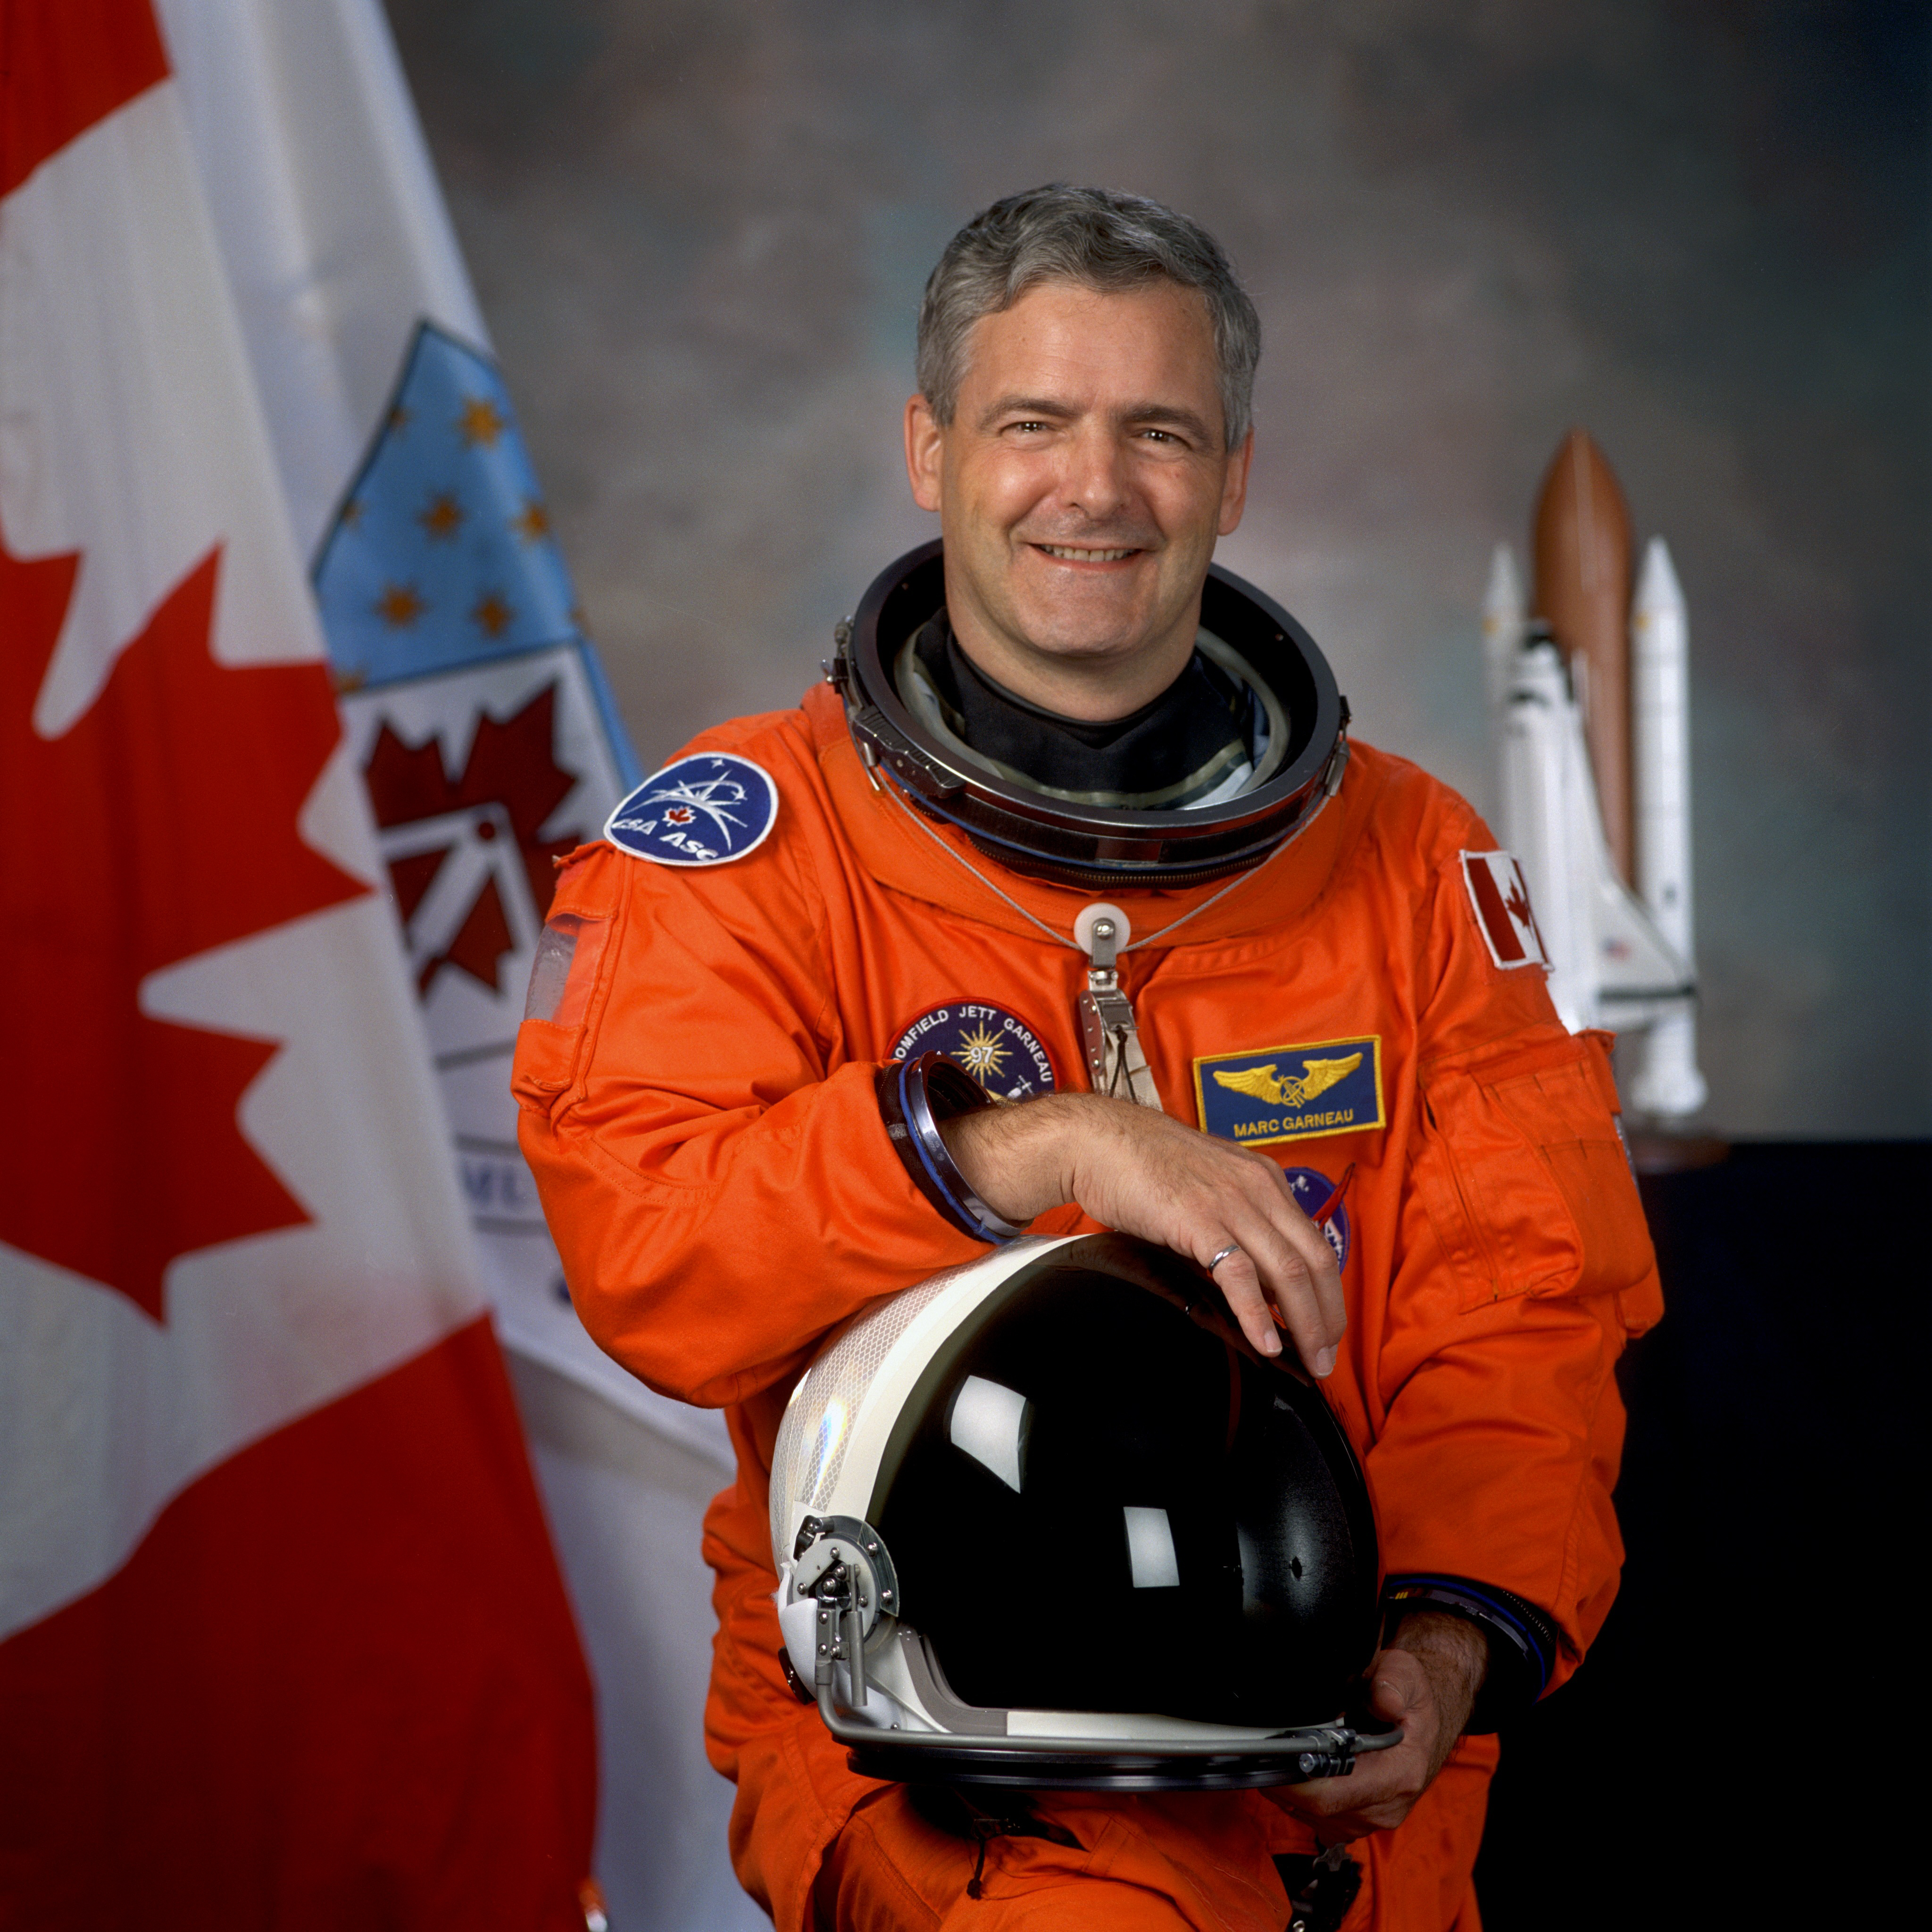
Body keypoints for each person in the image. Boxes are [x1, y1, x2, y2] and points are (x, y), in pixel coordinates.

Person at [514, 185, 1661, 1932]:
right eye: (1032, 423)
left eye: (1160, 432)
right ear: (929, 447)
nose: (1095, 488)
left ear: (1237, 475)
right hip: (947, 1770)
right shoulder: (753, 851)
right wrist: (1014, 1151)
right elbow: (652, 1254)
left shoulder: (1415, 865)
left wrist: (1445, 1642)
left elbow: (1524, 1311)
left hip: (1346, 1767)